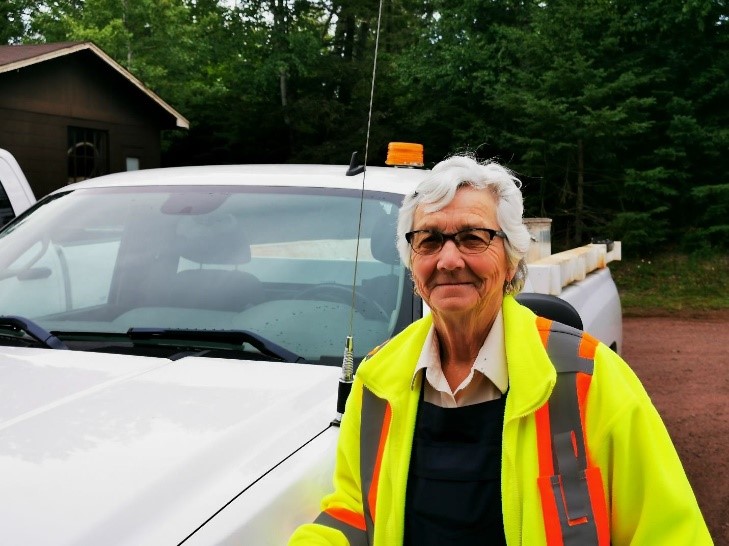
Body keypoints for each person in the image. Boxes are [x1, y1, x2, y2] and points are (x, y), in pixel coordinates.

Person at [288, 155, 712, 545]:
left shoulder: (591, 378)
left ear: (511, 261)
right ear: (412, 265)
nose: (449, 260)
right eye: (429, 241)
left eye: (473, 238)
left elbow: (668, 532)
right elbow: (356, 512)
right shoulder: (377, 380)